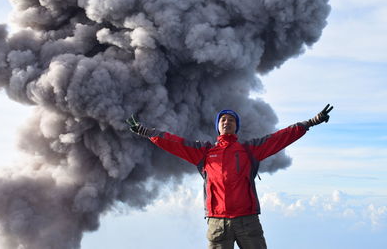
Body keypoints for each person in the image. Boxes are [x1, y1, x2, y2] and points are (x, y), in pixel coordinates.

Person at [126, 104, 333, 249]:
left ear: (236, 126)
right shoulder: (204, 152)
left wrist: (310, 123)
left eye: (231, 120)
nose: (227, 122)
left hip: (247, 220)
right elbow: (174, 142)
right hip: (217, 223)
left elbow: (280, 137)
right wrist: (146, 132)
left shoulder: (249, 149)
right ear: (217, 126)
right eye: (223, 119)